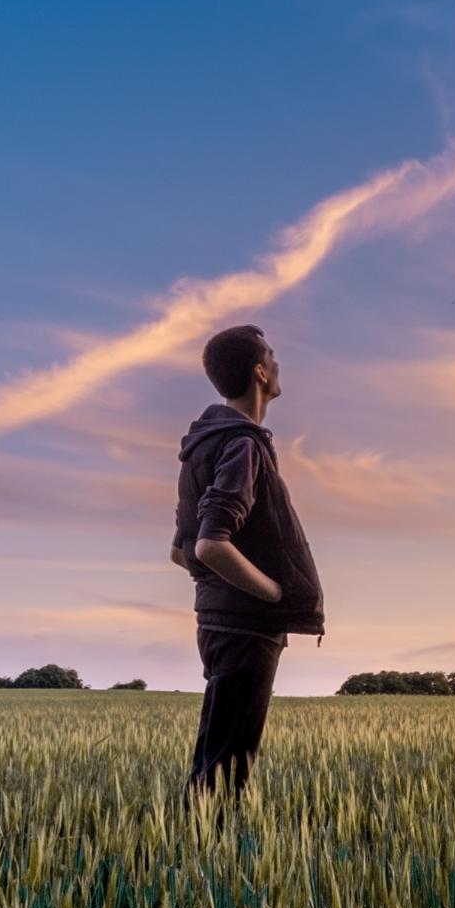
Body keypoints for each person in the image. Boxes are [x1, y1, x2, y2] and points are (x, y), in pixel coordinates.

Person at [170, 324, 326, 799]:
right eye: (273, 357)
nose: (278, 365)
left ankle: (191, 852)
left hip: (217, 621)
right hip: (245, 626)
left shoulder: (203, 445)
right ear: (260, 372)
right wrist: (274, 594)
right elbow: (208, 546)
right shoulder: (243, 443)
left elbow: (180, 549)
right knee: (228, 768)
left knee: (215, 758)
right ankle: (203, 864)